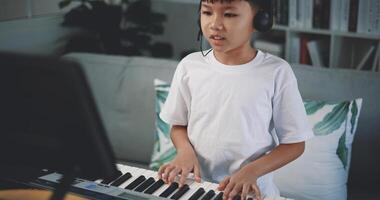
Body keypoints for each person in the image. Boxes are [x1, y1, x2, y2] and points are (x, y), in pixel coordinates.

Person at [158, 0, 313, 199]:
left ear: (260, 20)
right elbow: (178, 125)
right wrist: (184, 151)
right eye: (207, 12)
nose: (215, 24)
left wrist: (252, 171)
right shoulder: (189, 66)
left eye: (229, 15)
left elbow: (295, 144)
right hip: (197, 189)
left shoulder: (277, 72)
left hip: (251, 193)